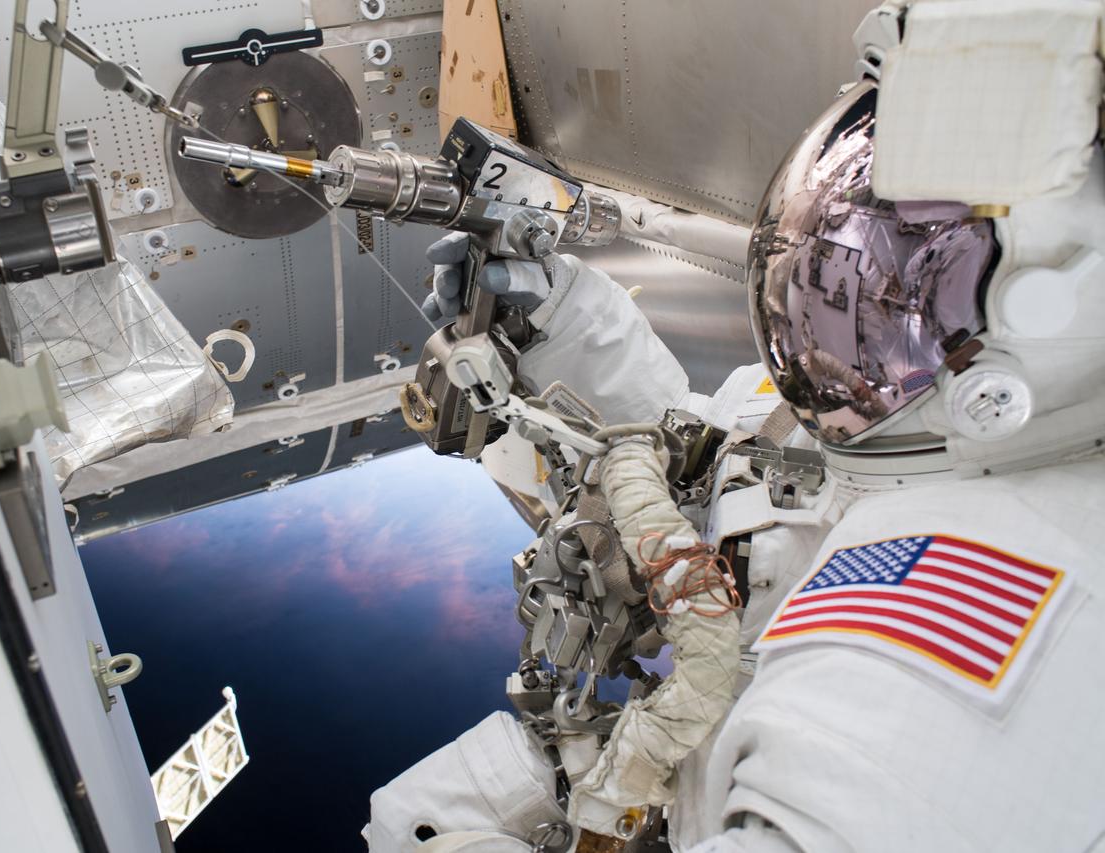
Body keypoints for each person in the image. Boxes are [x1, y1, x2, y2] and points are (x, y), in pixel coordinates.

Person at [366, 2, 1105, 850]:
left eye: (919, 272)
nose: (848, 280)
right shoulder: (898, 431)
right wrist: (553, 315)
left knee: (421, 820)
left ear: (1024, 351)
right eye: (850, 228)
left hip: (687, 773)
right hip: (678, 745)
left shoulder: (973, 618)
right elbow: (702, 457)